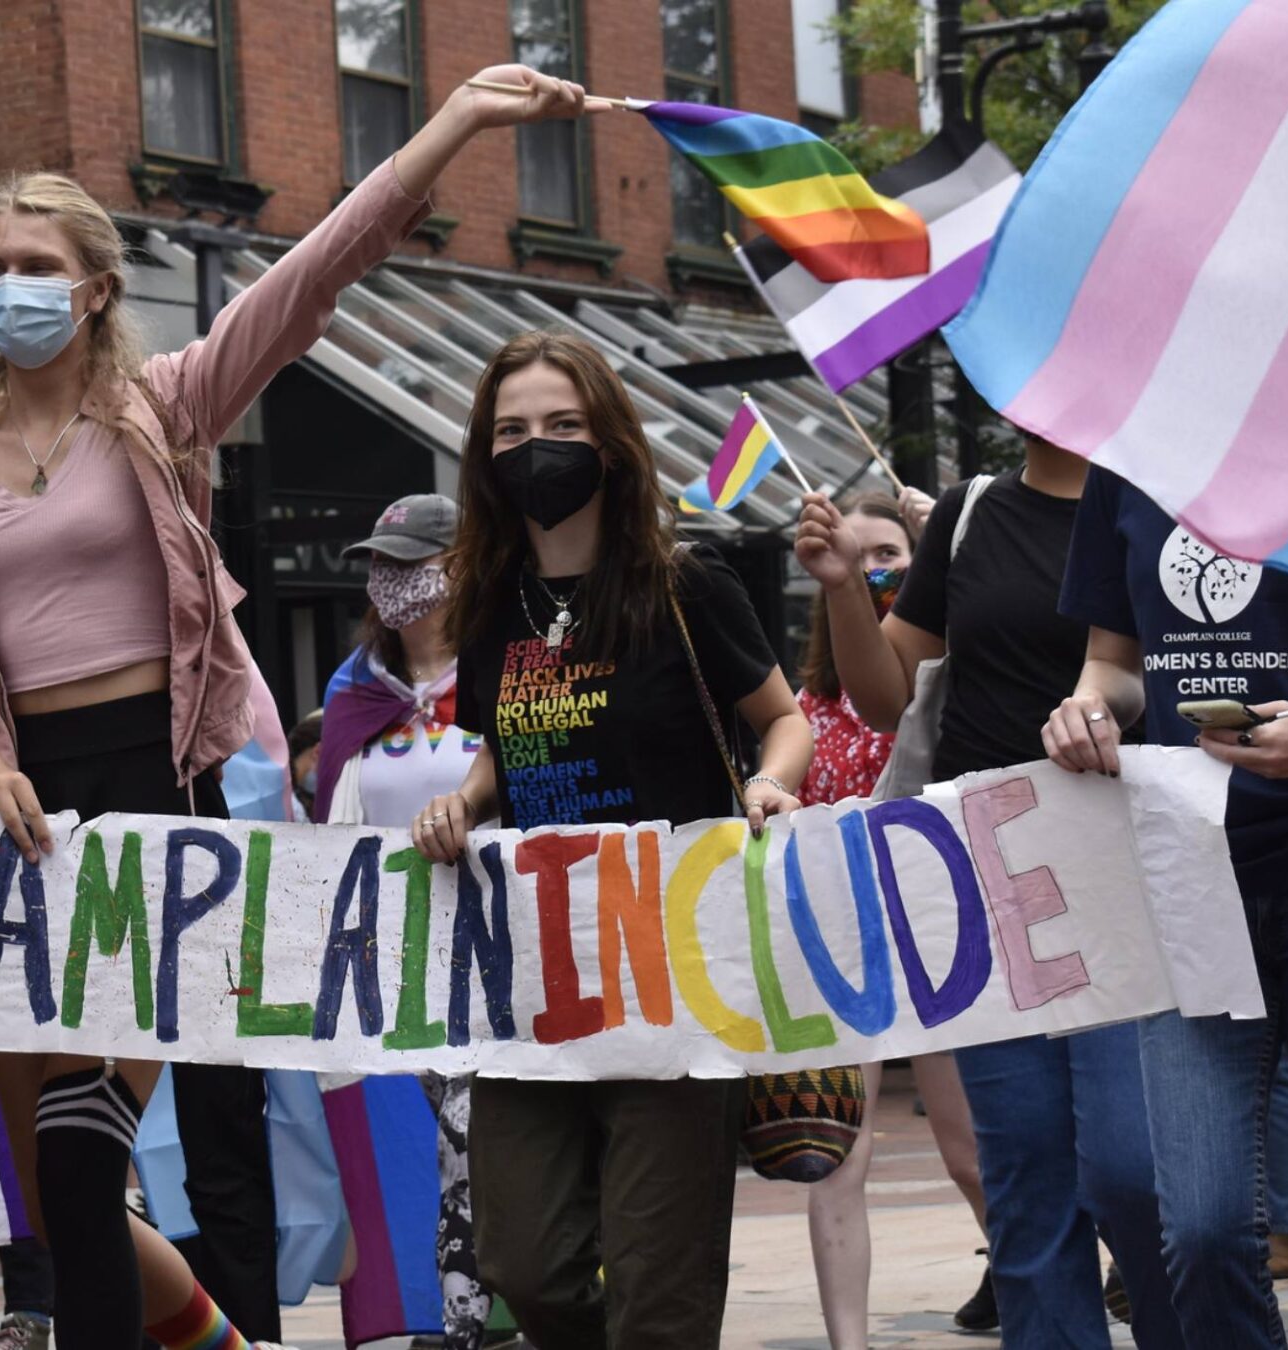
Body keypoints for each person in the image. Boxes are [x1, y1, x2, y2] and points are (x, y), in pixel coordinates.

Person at [0, 64, 583, 1350]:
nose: (8, 284)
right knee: (55, 1192)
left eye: (35, 260)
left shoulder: (166, 408)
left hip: (161, 795)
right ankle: (217, 1340)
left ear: (94, 287)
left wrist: (459, 125)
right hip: (18, 817)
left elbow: (317, 270)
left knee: (85, 1153)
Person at [410, 332, 813, 1347]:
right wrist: (465, 797)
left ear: (612, 445)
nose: (534, 448)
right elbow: (511, 747)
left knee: (657, 1286)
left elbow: (786, 717)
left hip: (675, 977)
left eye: (560, 427)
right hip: (538, 984)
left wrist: (769, 787)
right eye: (511, 431)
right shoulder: (493, 606)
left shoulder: (685, 584)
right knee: (526, 1264)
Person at [795, 438, 1180, 1348]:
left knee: (1135, 1169)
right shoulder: (971, 514)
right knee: (1024, 1176)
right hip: (988, 879)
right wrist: (846, 586)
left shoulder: (1165, 502)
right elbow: (889, 697)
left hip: (1127, 876)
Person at [1045, 466, 1288, 1347]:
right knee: (1200, 1233)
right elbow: (1117, 660)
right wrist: (1089, 708)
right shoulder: (1125, 457)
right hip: (1188, 876)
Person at [789, 493, 994, 1345]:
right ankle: (850, 1340)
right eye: (855, 551)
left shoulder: (943, 686)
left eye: (890, 554)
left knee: (972, 1155)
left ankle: (1035, 1268)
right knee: (836, 1155)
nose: (873, 568)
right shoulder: (802, 703)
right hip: (841, 942)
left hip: (937, 937)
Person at [309, 492, 493, 1350]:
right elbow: (328, 835)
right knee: (411, 1149)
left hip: (497, 957)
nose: (393, 582)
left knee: (490, 1149)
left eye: (412, 562)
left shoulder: (505, 672)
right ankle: (428, 1316)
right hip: (389, 964)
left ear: (462, 565)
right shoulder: (353, 694)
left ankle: (501, 1312)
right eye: (381, 565)